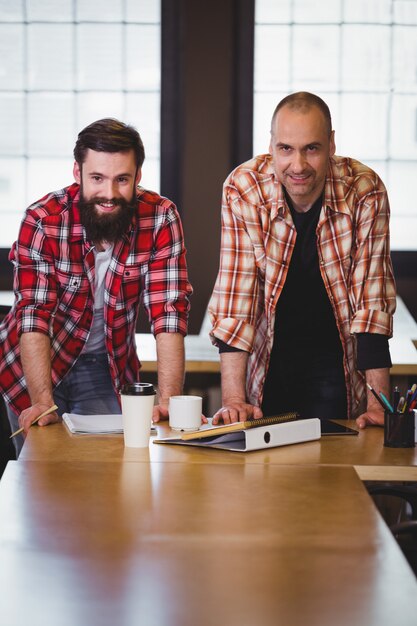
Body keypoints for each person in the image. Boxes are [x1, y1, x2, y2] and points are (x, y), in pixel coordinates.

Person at [0, 118, 192, 456]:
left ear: (138, 177)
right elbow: (34, 315)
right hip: (34, 365)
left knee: (108, 466)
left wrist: (168, 402)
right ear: (78, 173)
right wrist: (41, 400)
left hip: (105, 364)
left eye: (122, 180)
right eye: (97, 179)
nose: (110, 194)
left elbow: (169, 313)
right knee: (40, 471)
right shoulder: (43, 220)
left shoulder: (161, 217)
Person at [208, 92, 396, 429]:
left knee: (330, 470)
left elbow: (372, 301)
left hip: (336, 358)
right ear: (271, 145)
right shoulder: (244, 188)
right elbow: (236, 303)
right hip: (268, 359)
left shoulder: (364, 190)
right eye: (286, 149)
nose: (298, 165)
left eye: (311, 148)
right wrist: (234, 399)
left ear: (331, 144)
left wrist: (377, 402)